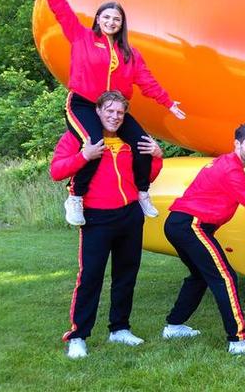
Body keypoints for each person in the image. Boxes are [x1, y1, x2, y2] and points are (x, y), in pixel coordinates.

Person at [21, 0, 185, 227]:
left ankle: (142, 192)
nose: (111, 22)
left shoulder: (129, 53)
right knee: (93, 145)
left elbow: (146, 81)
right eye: (106, 17)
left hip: (116, 110)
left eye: (116, 19)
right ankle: (76, 197)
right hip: (84, 104)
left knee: (143, 145)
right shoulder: (81, 36)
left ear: (122, 24)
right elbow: (59, 7)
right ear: (98, 19)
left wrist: (168, 103)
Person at [161, 123, 245, 354]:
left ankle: (174, 325)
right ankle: (238, 340)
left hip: (180, 224)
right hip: (191, 225)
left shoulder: (229, 164)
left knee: (200, 276)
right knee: (225, 277)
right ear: (237, 144)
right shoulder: (231, 171)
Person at [49, 90, 163, 359]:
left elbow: (147, 175)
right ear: (97, 111)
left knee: (126, 275)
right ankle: (78, 336)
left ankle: (120, 329)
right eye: (109, 111)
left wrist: (157, 156)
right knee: (90, 277)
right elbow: (56, 171)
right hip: (96, 218)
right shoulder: (78, 138)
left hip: (130, 215)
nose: (114, 117)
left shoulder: (129, 140)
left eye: (120, 113)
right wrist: (84, 156)